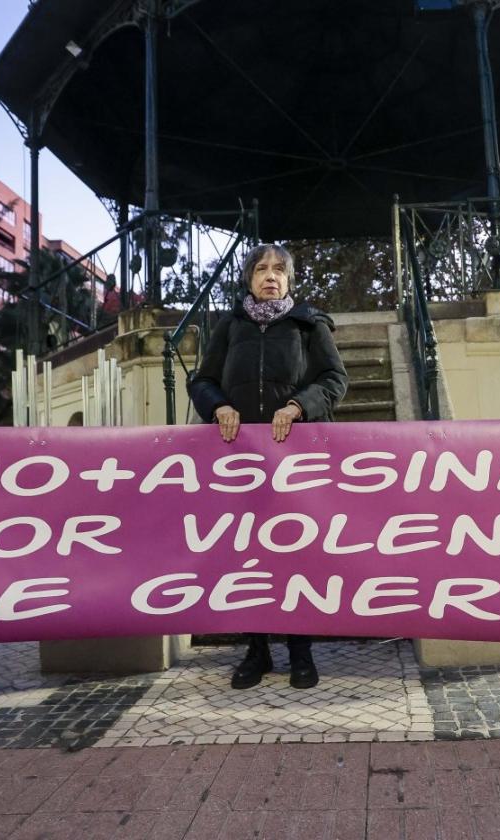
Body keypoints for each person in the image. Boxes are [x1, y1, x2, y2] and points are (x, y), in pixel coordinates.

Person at [190, 243, 348, 689]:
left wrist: (299, 405)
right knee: (248, 555)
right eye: (261, 269)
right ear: (249, 279)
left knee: (295, 553)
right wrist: (218, 406)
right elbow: (201, 379)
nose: (270, 276)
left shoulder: (308, 324)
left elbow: (335, 379)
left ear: (290, 279)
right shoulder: (231, 325)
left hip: (296, 461)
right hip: (240, 462)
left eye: (279, 269)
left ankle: (301, 651)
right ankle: (256, 651)